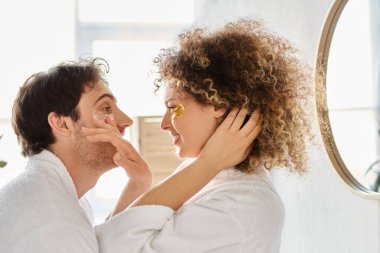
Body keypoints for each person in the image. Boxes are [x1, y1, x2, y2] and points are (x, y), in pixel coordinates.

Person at [95, 19, 314, 253]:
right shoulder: (210, 175)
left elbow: (110, 247)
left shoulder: (240, 205)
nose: (164, 124)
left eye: (172, 107)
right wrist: (138, 184)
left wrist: (207, 163)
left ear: (218, 104)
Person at [0, 58, 260, 253]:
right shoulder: (53, 221)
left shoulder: (56, 198)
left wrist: (138, 184)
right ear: (62, 124)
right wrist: (209, 163)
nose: (125, 122)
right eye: (105, 108)